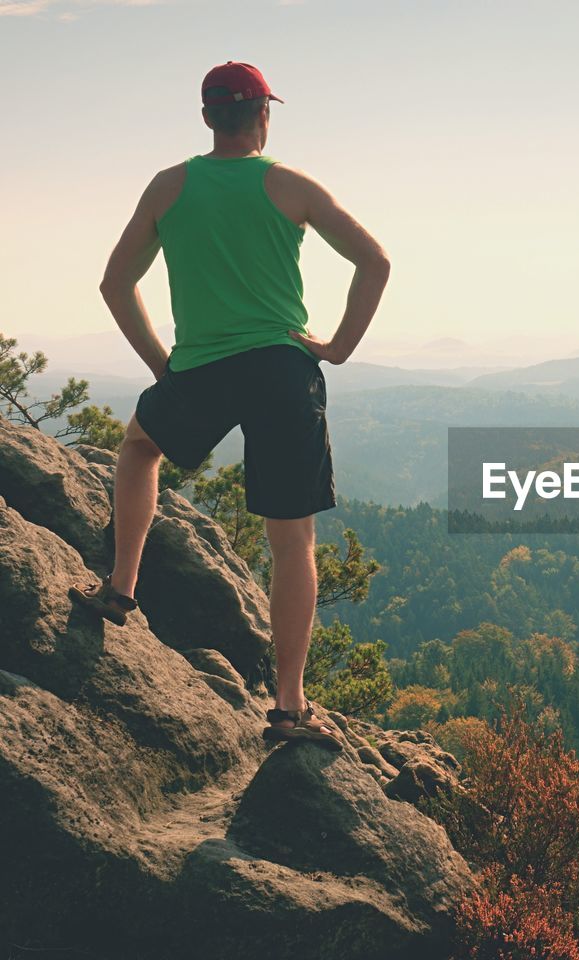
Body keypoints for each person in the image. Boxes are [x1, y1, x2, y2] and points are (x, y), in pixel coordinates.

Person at [71, 61, 391, 751]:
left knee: (136, 451)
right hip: (282, 366)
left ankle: (122, 586)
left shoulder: (168, 187)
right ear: (263, 115)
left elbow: (114, 283)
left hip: (203, 367)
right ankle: (289, 705)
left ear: (207, 116)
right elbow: (375, 262)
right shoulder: (290, 185)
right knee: (292, 541)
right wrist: (336, 347)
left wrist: (164, 366)